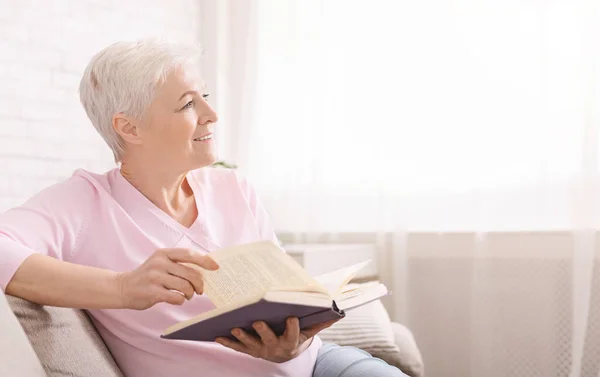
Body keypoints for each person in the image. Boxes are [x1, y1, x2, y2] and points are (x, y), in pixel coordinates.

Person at [0, 38, 406, 377]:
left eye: (205, 98)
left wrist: (296, 338)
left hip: (317, 365)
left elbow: (287, 290)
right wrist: (121, 288)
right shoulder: (83, 202)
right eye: (188, 104)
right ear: (129, 127)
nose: (211, 115)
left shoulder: (233, 188)